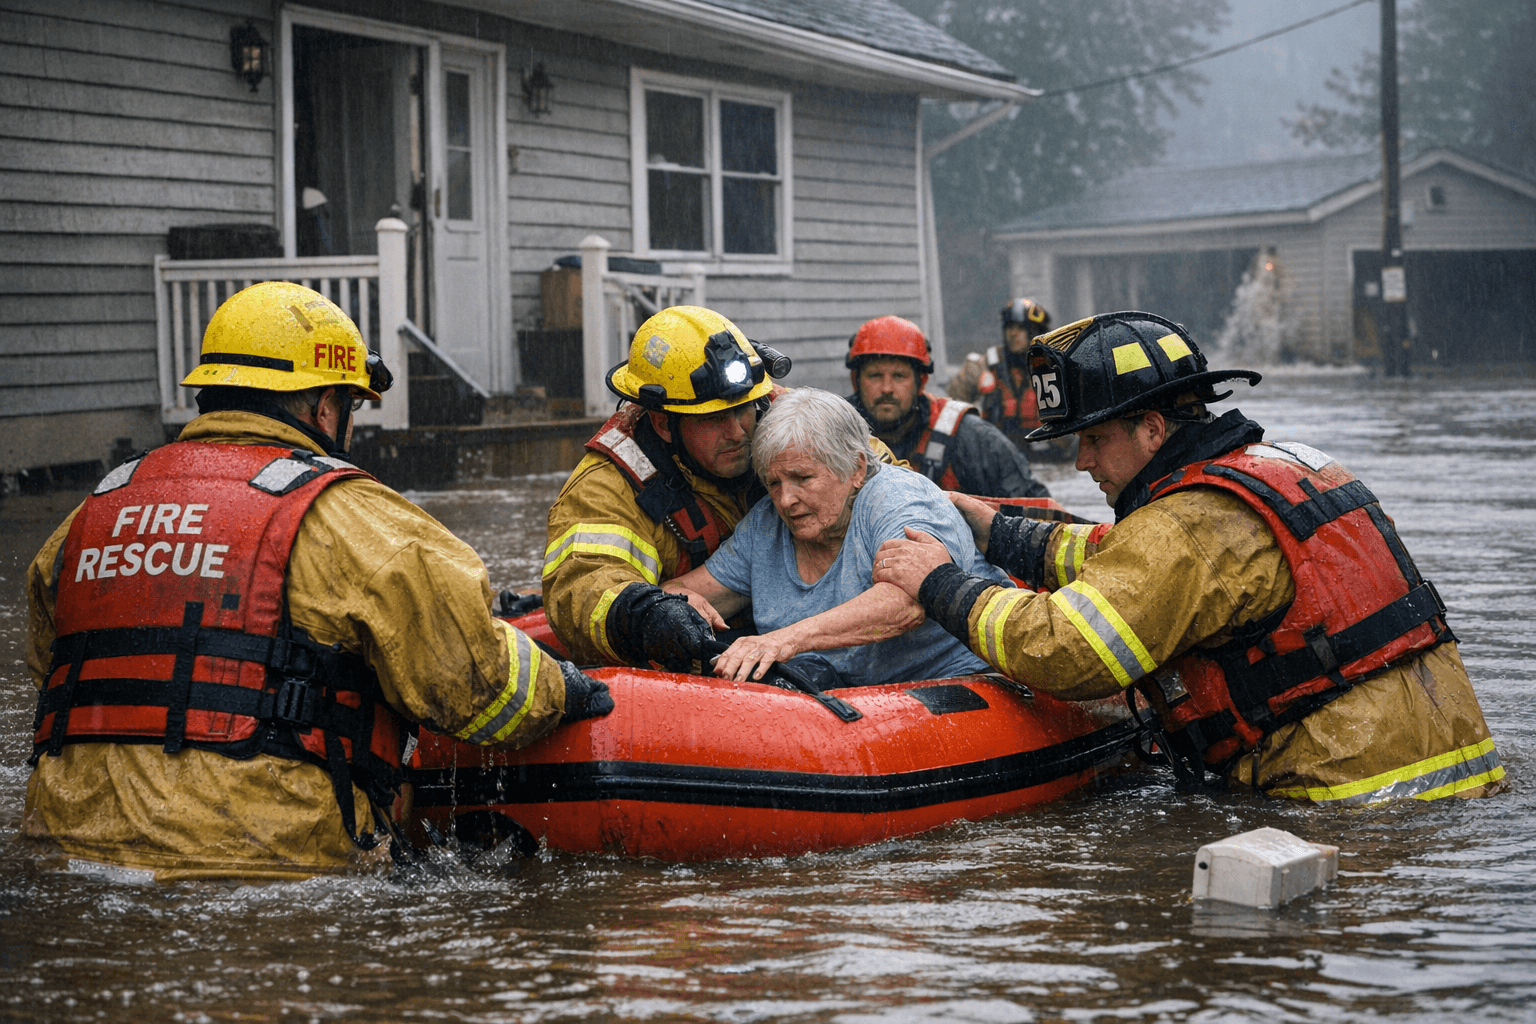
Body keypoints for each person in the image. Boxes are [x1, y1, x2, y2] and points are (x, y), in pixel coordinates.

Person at [23, 281, 613, 882]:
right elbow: (474, 682)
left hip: (66, 845)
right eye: (350, 407)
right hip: (262, 861)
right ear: (326, 407)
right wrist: (563, 688)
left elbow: (48, 660)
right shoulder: (356, 520)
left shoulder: (92, 511)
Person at [875, 310, 1503, 804]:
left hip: (1348, 809)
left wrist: (943, 585)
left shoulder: (1183, 526)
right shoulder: (1264, 473)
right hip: (1445, 786)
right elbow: (1126, 560)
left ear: (1151, 428)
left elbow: (1069, 652)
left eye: (1093, 438)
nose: (1082, 461)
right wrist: (996, 531)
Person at [666, 388, 1012, 687]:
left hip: (963, 683)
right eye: (774, 483)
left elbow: (907, 602)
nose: (786, 500)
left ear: (856, 469)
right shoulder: (765, 526)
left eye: (802, 478)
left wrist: (781, 641)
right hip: (846, 706)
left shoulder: (899, 500)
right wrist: (679, 601)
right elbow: (682, 591)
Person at [845, 315, 1049, 499]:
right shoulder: (830, 433)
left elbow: (1034, 510)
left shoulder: (970, 436)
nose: (887, 388)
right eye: (875, 376)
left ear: (921, 381)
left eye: (899, 376)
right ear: (857, 381)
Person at [947, 297, 1059, 453]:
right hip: (1000, 454)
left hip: (1050, 457)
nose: (1013, 333)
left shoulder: (1056, 367)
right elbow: (951, 405)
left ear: (1035, 331)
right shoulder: (988, 363)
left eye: (1020, 328)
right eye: (1009, 327)